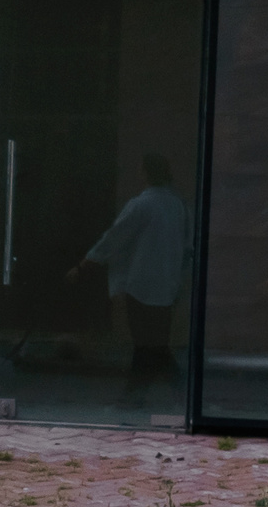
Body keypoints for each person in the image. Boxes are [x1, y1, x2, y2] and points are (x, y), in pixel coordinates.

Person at [65, 153, 188, 399]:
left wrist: (83, 266)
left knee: (147, 343)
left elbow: (113, 239)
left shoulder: (141, 205)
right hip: (166, 285)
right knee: (153, 343)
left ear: (146, 173)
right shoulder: (177, 206)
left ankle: (143, 393)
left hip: (141, 285)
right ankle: (152, 391)